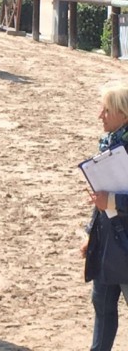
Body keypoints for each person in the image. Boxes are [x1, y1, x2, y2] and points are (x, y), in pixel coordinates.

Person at [81, 82, 128, 350]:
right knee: (102, 307)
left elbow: (107, 197)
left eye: (107, 110)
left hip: (126, 245)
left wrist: (110, 200)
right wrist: (91, 236)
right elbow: (100, 199)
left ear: (124, 114)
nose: (100, 115)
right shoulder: (108, 147)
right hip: (107, 242)